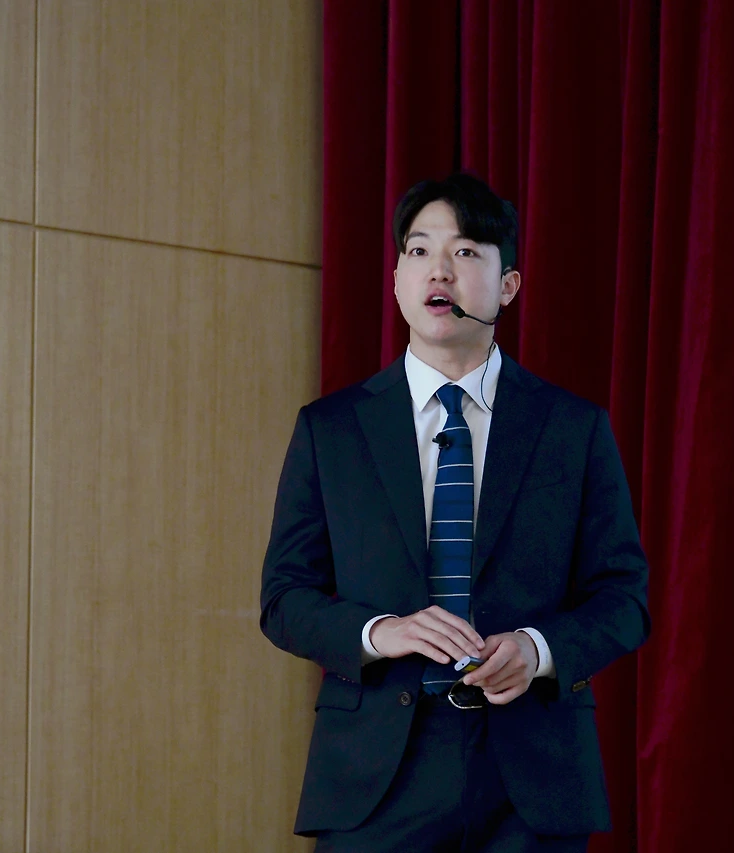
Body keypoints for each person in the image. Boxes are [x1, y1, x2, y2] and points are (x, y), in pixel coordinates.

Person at [259, 173, 650, 851]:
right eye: (419, 251)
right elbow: (284, 598)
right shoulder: (332, 430)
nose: (439, 269)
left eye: (466, 251)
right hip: (376, 778)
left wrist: (537, 650)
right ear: (397, 281)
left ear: (509, 285)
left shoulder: (572, 428)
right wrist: (382, 631)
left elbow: (625, 599)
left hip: (530, 779)